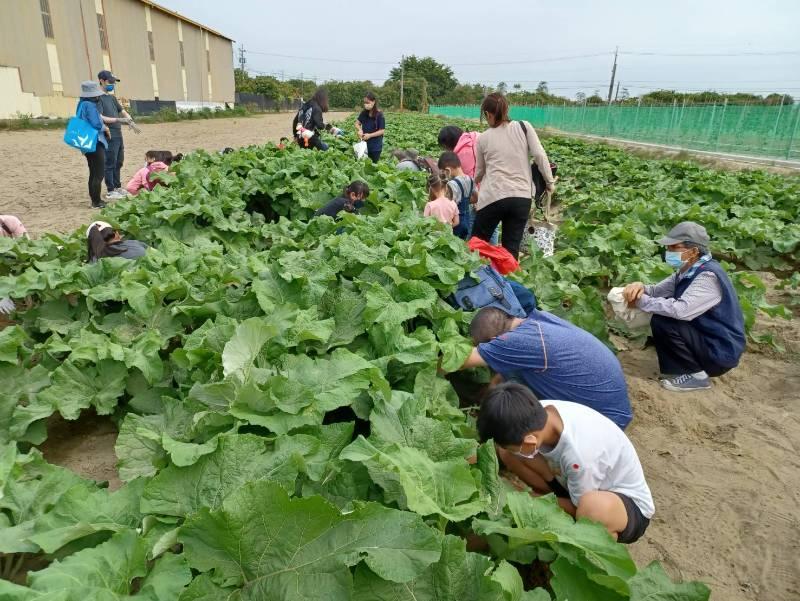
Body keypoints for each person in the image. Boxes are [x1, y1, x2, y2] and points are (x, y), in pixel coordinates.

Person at [477, 383, 654, 544]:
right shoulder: (534, 413)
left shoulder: (580, 454)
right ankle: (549, 502)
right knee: (507, 453)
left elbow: (579, 506)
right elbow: (500, 446)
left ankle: (593, 552)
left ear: (531, 442)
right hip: (575, 483)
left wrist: (523, 499)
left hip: (623, 505)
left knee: (591, 510)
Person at [455, 306, 632, 430]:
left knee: (509, 441)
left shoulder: (516, 342)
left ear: (495, 340)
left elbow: (458, 359)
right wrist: (486, 395)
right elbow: (505, 370)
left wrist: (430, 364)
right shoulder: (537, 322)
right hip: (614, 409)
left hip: (604, 425)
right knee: (514, 372)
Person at [622, 222, 746, 392]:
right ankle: (681, 371)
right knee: (661, 317)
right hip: (706, 338)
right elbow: (656, 291)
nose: (669, 252)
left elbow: (680, 310)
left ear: (693, 251)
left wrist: (640, 301)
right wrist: (639, 287)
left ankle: (697, 376)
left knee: (665, 321)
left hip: (720, 351)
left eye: (674, 247)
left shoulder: (708, 276)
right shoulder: (685, 271)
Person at [474, 93, 555, 259]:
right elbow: (539, 155)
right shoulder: (524, 127)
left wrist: (472, 185)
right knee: (511, 249)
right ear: (506, 109)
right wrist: (549, 182)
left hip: (493, 197)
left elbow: (480, 172)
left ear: (488, 114)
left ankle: (476, 280)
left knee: (477, 245)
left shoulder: (483, 138)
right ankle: (507, 281)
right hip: (521, 198)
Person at [97, 70, 134, 201]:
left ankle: (118, 187)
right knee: (110, 162)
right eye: (110, 81)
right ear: (101, 80)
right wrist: (118, 120)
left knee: (119, 161)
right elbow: (100, 117)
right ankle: (110, 190)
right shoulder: (98, 98)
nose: (112, 84)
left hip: (118, 133)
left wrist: (129, 119)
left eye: (113, 82)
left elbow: (122, 110)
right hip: (109, 134)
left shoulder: (112, 98)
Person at [77, 81, 111, 209]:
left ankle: (94, 200)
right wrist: (105, 128)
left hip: (86, 143)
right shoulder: (90, 106)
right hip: (95, 142)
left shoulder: (81, 104)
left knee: (93, 172)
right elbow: (96, 124)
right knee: (99, 173)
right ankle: (97, 202)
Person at [439, 152, 476, 240]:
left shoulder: (452, 184)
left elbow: (449, 206)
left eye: (443, 171)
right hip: (466, 220)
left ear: (448, 170)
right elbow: (475, 198)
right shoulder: (470, 179)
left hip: (456, 222)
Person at [355, 92, 385, 163]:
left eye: (368, 102)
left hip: (375, 147)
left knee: (373, 167)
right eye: (365, 102)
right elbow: (357, 123)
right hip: (364, 146)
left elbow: (382, 131)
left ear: (373, 102)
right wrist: (360, 130)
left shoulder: (379, 115)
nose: (366, 104)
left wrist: (370, 135)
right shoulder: (364, 113)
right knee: (363, 165)